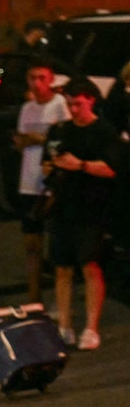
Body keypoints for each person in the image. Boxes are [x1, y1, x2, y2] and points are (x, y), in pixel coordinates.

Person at [41, 76, 122, 351]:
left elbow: (112, 169)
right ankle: (65, 326)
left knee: (90, 265)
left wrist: (81, 165)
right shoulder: (61, 130)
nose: (73, 110)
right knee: (61, 267)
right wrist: (52, 167)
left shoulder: (104, 132)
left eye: (78, 104)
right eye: (69, 104)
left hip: (92, 207)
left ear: (91, 101)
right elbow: (47, 162)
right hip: (63, 205)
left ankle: (91, 326)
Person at [12, 59, 70, 303]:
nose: (36, 83)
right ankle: (34, 297)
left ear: (51, 80)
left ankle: (61, 298)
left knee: (58, 244)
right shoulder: (27, 108)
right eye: (32, 78)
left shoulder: (60, 105)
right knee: (31, 243)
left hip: (52, 181)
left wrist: (39, 138)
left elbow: (64, 139)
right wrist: (28, 140)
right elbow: (21, 141)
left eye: (42, 78)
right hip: (29, 181)